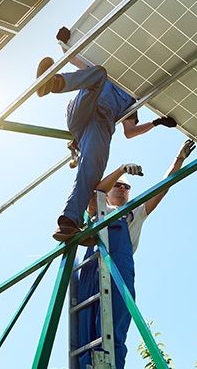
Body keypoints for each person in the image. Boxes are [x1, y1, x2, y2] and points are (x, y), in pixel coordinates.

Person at [36, 27, 177, 242]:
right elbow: (76, 60)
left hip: (101, 126)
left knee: (92, 170)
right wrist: (64, 43)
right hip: (83, 110)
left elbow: (129, 132)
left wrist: (156, 123)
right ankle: (53, 83)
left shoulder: (132, 96)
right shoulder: (109, 70)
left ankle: (69, 222)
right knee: (99, 73)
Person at [77, 139, 196, 369]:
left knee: (117, 318)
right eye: (118, 185)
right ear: (108, 193)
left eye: (127, 187)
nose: (122, 188)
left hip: (120, 265)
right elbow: (95, 194)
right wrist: (121, 169)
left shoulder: (136, 213)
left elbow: (163, 187)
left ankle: (112, 365)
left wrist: (178, 159)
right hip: (93, 264)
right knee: (87, 322)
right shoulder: (100, 209)